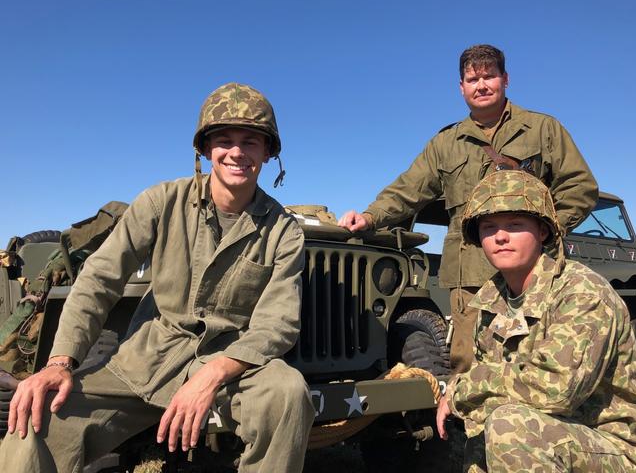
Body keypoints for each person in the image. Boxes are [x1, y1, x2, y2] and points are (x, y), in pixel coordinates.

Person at [0, 83, 315, 472]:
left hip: (231, 363)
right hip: (148, 358)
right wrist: (59, 363)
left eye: (251, 142)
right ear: (205, 150)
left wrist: (213, 375)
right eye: (224, 140)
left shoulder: (284, 231)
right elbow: (99, 280)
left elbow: (277, 323)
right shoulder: (161, 202)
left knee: (287, 393)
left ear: (268, 153)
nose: (236, 152)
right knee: (34, 422)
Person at [338, 44, 598, 373]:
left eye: (489, 76)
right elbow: (409, 188)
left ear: (505, 79)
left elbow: (581, 186)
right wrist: (371, 216)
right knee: (468, 365)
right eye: (473, 79)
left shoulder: (543, 129)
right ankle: (466, 425)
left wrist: (548, 232)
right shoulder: (446, 143)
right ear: (461, 87)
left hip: (534, 272)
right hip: (470, 279)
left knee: (539, 361)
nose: (482, 85)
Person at [435, 170, 636, 472]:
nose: (500, 236)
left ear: (543, 231)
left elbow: (556, 389)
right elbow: (489, 392)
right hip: (551, 436)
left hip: (611, 446)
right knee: (482, 432)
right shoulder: (491, 300)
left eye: (515, 224)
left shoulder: (581, 292)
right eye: (489, 227)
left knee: (511, 427)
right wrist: (466, 396)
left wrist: (462, 390)